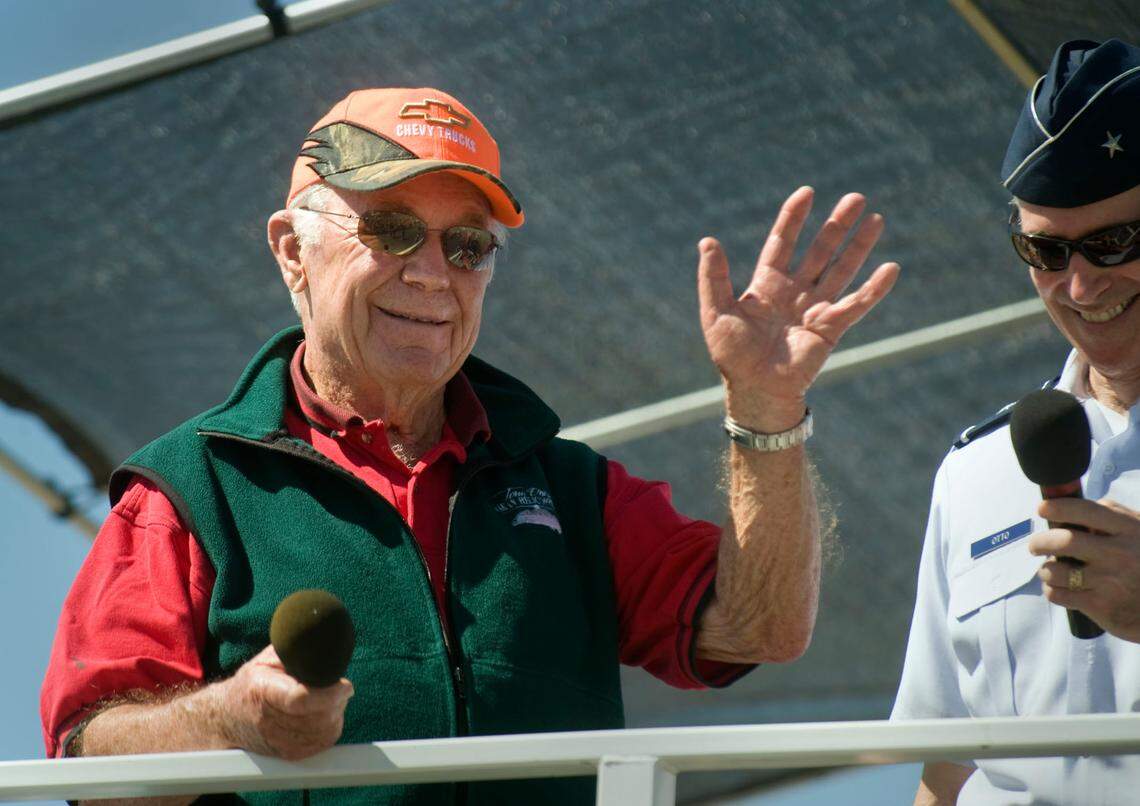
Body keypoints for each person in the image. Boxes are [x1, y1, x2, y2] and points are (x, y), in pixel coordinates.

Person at [42, 87, 899, 805]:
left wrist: (767, 405)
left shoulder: (570, 485)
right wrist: (228, 720)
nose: (431, 274)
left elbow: (761, 630)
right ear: (291, 251)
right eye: (391, 230)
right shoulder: (190, 487)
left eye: (467, 246)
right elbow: (88, 762)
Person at [893, 39, 1140, 805]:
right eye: (1044, 248)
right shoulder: (976, 471)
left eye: (1113, 242)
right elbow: (946, 768)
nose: (1078, 283)